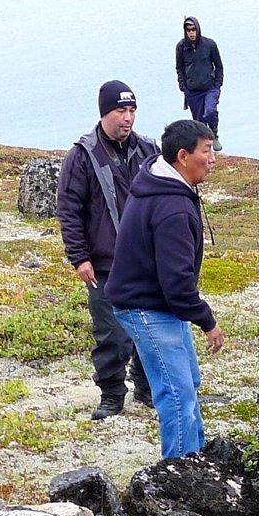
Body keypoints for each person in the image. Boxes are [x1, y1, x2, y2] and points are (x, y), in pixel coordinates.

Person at [107, 119, 225, 460]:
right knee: (176, 395)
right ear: (184, 156)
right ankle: (177, 477)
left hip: (160, 304)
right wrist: (207, 321)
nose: (213, 158)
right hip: (146, 307)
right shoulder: (171, 205)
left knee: (189, 384)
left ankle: (196, 459)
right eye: (207, 151)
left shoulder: (163, 183)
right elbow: (176, 283)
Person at [58, 79, 159, 421]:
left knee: (150, 330)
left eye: (131, 110)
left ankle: (148, 390)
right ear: (104, 113)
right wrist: (80, 257)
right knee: (111, 336)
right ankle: (112, 396)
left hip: (146, 261)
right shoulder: (82, 156)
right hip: (103, 264)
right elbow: (69, 209)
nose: (127, 117)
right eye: (120, 110)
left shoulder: (148, 150)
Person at [175, 17, 224, 151]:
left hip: (210, 88)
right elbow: (179, 68)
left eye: (193, 29)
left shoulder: (210, 44)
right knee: (199, 124)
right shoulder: (181, 47)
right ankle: (206, 150)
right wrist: (184, 88)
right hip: (192, 92)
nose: (191, 33)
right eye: (188, 30)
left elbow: (218, 66)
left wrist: (217, 84)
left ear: (198, 29)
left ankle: (214, 135)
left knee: (210, 111)